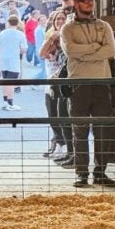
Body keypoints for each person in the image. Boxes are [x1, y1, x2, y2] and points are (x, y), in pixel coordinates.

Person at [60, 0, 115, 188]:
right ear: (76, 4)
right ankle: (82, 173)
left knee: (102, 129)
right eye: (84, 0)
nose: (89, 3)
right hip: (79, 83)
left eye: (91, 0)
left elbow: (111, 50)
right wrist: (95, 47)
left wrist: (84, 53)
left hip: (101, 82)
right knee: (80, 130)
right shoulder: (67, 29)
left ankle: (100, 171)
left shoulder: (104, 26)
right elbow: (70, 50)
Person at [39, 10, 72, 161]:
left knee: (62, 115)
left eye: (62, 19)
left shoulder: (69, 38)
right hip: (51, 81)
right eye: (57, 19)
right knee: (52, 114)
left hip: (63, 82)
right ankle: (59, 144)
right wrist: (53, 37)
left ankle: (65, 147)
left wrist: (61, 35)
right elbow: (42, 53)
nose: (59, 21)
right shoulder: (52, 38)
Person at [0, 15, 27, 111]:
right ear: (18, 23)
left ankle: (5, 101)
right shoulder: (20, 34)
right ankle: (10, 102)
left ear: (8, 22)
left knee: (4, 80)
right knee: (11, 81)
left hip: (3, 59)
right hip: (13, 60)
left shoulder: (2, 33)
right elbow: (23, 49)